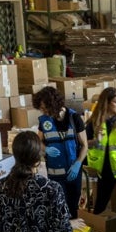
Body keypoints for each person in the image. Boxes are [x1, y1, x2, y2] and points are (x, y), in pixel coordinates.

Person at [0, 131, 73, 232]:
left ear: (15, 155)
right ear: (38, 158)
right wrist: (70, 224)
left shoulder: (2, 186)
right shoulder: (51, 189)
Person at [34, 85, 87, 218]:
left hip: (73, 172)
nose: (43, 112)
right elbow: (38, 141)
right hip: (55, 174)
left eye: (45, 108)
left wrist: (78, 164)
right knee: (59, 205)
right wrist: (45, 149)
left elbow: (84, 145)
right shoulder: (44, 121)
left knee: (73, 205)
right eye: (41, 109)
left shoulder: (74, 118)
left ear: (53, 104)